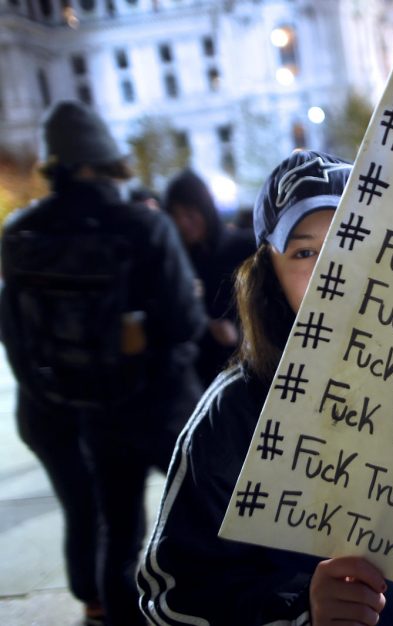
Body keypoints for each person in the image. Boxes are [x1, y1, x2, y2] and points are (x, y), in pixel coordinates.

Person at [138, 149, 393, 626]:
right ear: (269, 275)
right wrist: (302, 609)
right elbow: (174, 595)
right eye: (305, 252)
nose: (333, 268)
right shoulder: (234, 414)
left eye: (354, 238)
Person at [0, 101, 206, 626]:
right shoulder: (143, 226)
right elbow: (186, 320)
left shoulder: (22, 236)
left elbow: (17, 340)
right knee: (209, 513)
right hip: (160, 406)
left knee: (117, 533)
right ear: (105, 160)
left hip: (89, 411)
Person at [163, 169, 255, 385]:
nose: (183, 223)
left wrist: (240, 333)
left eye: (189, 213)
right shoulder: (177, 263)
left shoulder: (245, 248)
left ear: (205, 209)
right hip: (202, 378)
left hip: (251, 371)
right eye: (175, 216)